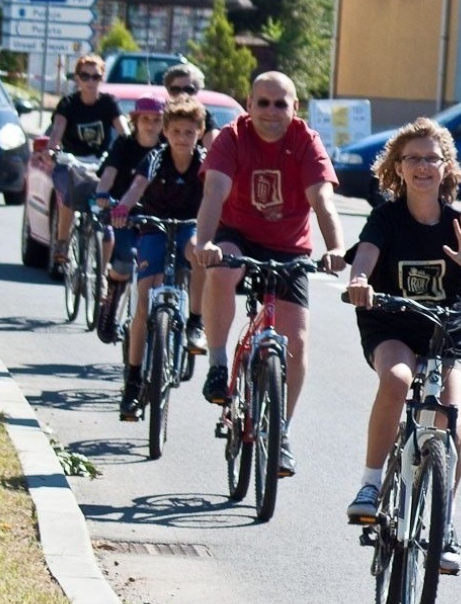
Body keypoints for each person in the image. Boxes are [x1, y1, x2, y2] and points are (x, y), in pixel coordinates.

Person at [344, 116, 461, 574]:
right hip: (391, 325)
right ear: (398, 166)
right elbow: (366, 257)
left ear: (445, 166)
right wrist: (359, 280)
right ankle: (371, 484)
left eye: (431, 159)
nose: (422, 167)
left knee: (451, 425)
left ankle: (444, 524)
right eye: (412, 158)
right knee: (396, 380)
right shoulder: (386, 218)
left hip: (446, 336)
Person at [194, 70, 346, 478]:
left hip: (288, 246)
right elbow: (214, 192)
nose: (271, 111)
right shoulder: (232, 137)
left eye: (281, 104)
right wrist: (204, 242)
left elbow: (323, 200)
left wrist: (335, 248)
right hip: (238, 235)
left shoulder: (305, 140)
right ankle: (218, 363)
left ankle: (280, 434)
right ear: (249, 105)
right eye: (263, 102)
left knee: (297, 340)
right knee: (221, 268)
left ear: (295, 107)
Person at [111, 96, 208, 420]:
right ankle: (133, 381)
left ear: (200, 132)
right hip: (153, 228)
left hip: (188, 228)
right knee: (143, 303)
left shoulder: (205, 162)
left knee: (199, 252)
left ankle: (195, 321)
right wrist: (123, 208)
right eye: (176, 131)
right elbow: (137, 187)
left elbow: (217, 194)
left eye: (189, 132)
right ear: (165, 131)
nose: (182, 138)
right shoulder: (155, 158)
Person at [46, 54, 128, 262]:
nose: (91, 81)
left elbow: (123, 131)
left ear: (102, 79)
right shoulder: (68, 103)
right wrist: (52, 150)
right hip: (72, 162)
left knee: (107, 215)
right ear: (77, 78)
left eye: (96, 76)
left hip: (100, 164)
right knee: (70, 194)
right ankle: (62, 242)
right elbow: (57, 131)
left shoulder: (108, 103)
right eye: (85, 76)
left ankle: (102, 271)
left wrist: (129, 148)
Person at [95, 96, 165, 308]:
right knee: (125, 259)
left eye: (157, 120)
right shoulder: (124, 144)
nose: (150, 125)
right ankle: (111, 301)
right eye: (145, 119)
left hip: (156, 217)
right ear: (135, 121)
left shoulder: (167, 148)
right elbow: (109, 173)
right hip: (124, 215)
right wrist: (102, 192)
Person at [163, 63, 220, 149]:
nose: (182, 94)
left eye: (188, 90)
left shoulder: (204, 116)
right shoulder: (158, 114)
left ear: (196, 91)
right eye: (176, 89)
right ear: (168, 90)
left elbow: (214, 149)